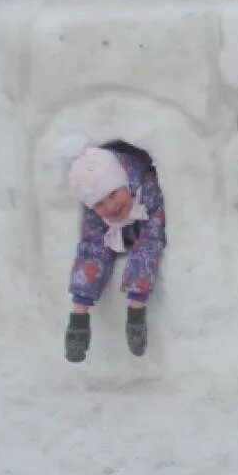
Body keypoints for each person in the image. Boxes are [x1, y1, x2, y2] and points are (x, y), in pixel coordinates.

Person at [63, 140, 166, 362]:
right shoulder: (97, 215)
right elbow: (92, 251)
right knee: (95, 247)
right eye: (99, 203)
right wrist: (79, 310)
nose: (110, 207)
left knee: (146, 244)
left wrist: (136, 303)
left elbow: (151, 242)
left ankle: (136, 314)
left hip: (143, 235)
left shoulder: (148, 193)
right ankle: (79, 319)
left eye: (112, 194)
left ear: (125, 183)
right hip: (121, 233)